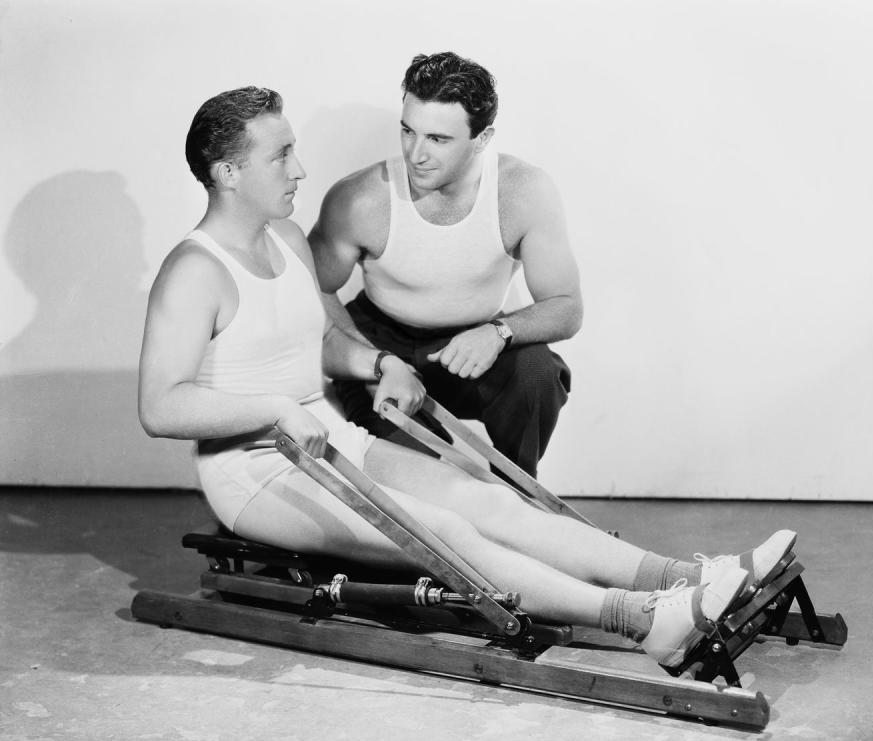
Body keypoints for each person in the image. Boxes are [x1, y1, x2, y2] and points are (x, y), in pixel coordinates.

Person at [138, 86, 797, 668]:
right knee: (444, 532)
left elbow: (322, 341)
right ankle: (646, 622)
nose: (300, 168)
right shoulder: (193, 270)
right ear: (227, 172)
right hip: (254, 474)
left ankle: (693, 578)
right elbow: (161, 408)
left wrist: (380, 362)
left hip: (327, 441)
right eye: (280, 154)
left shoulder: (285, 239)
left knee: (485, 500)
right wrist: (276, 409)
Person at [310, 52, 581, 478]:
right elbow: (309, 288)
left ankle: (521, 493)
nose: (416, 153)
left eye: (438, 139)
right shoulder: (361, 199)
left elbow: (566, 306)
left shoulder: (523, 192)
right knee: (425, 483)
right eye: (407, 131)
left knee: (536, 373)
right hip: (383, 340)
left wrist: (499, 332)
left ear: (483, 137)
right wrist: (373, 360)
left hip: (473, 343)